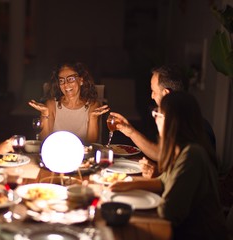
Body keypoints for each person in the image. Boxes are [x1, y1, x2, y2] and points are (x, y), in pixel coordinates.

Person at [110, 92, 228, 239]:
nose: (155, 119)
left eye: (157, 114)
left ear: (171, 121)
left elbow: (168, 211)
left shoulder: (192, 155)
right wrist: (125, 184)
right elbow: (162, 181)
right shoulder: (182, 150)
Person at [110, 65, 217, 177]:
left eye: (153, 91)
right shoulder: (178, 120)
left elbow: (188, 175)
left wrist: (158, 174)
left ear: (166, 93)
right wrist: (130, 131)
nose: (152, 96)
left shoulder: (193, 128)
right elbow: (162, 154)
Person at [28, 62, 109, 144]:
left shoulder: (92, 105)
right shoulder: (51, 104)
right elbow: (44, 141)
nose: (66, 84)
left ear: (81, 80)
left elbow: (91, 144)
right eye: (61, 80)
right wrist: (44, 113)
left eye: (70, 79)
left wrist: (93, 118)